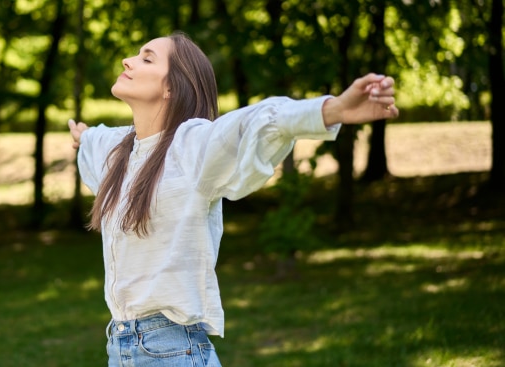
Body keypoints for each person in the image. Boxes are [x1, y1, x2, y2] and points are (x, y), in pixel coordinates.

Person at [67, 32, 397, 367]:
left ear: (171, 88)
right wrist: (83, 136)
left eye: (147, 58)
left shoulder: (190, 148)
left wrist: (335, 108)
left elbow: (255, 123)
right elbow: (94, 142)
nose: (129, 61)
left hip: (171, 352)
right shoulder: (120, 151)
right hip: (120, 350)